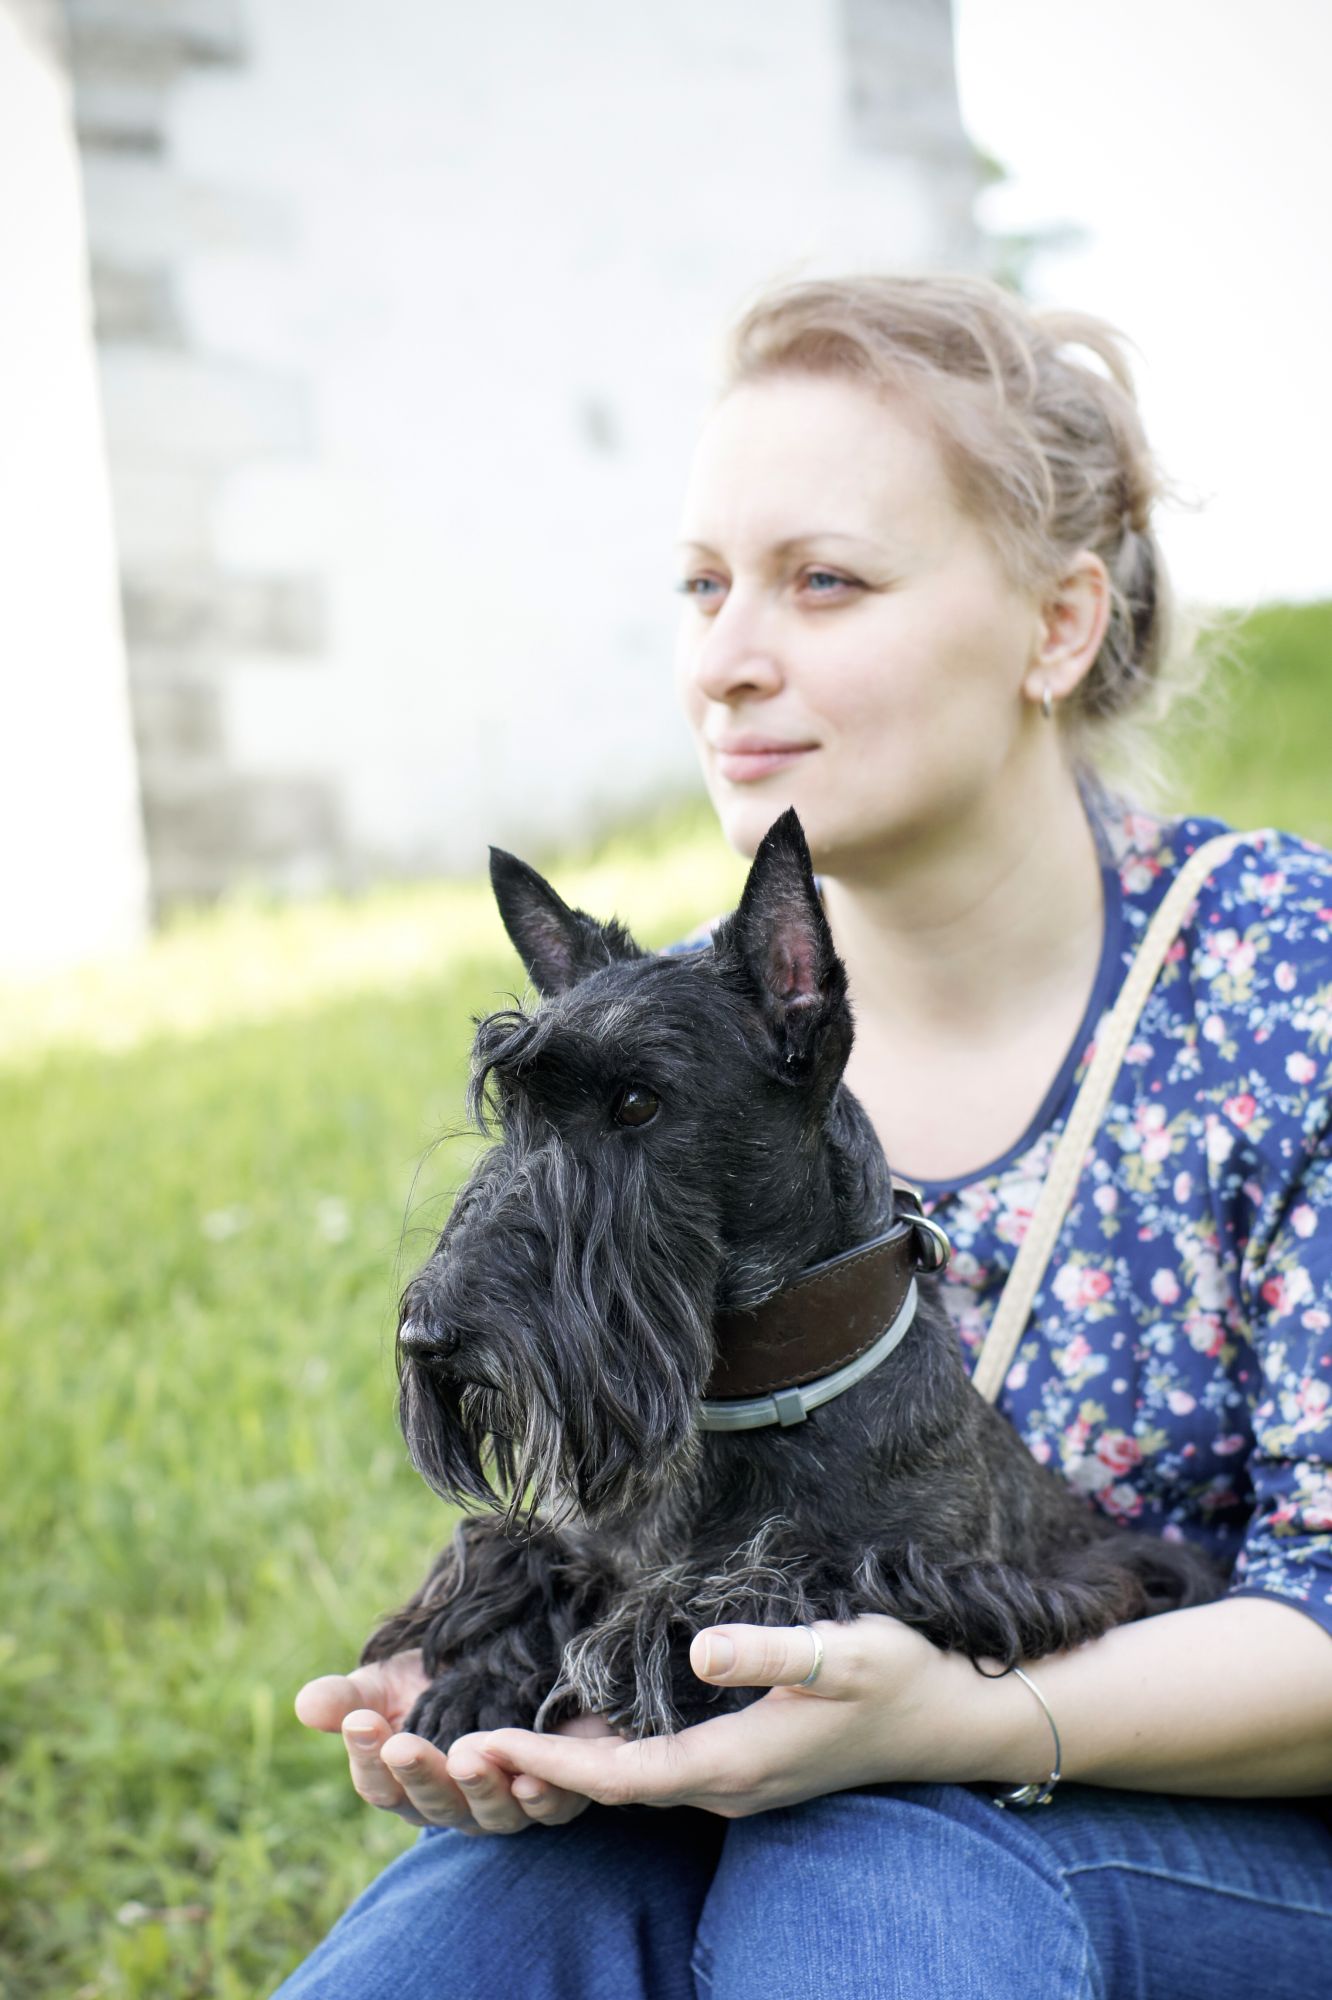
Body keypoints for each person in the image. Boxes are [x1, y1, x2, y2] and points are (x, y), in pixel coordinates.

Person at [272, 275, 1332, 1999]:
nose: (725, 659)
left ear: (1059, 625)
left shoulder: (1295, 987)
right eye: (703, 586)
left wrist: (953, 1718)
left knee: (878, 1869)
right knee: (475, 1926)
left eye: (823, 579)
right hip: (767, 1776)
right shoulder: (666, 1038)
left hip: (1236, 1832)